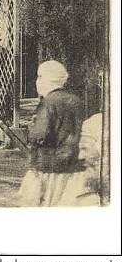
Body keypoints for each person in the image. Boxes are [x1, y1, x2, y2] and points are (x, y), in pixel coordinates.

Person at [19, 60, 86, 207]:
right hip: (72, 165)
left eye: (39, 77)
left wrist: (32, 129)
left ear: (44, 79)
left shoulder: (48, 103)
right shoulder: (76, 101)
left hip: (48, 165)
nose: (37, 82)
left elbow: (40, 135)